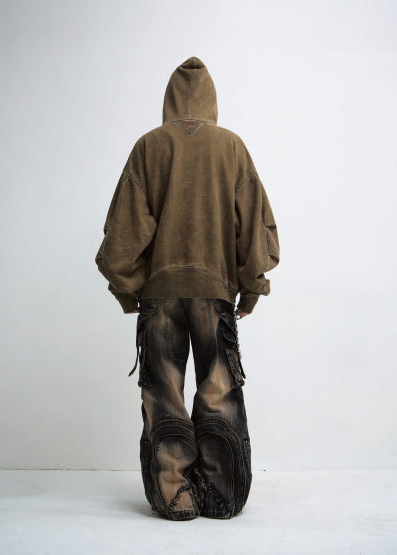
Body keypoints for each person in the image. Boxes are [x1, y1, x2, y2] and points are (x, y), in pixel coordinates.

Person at [95, 56, 280, 521]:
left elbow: (122, 233)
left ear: (169, 99)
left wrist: (128, 291)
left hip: (159, 296)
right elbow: (254, 226)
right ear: (213, 99)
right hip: (215, 294)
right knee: (219, 393)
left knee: (164, 396)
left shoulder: (149, 147)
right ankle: (221, 495)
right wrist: (251, 288)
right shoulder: (231, 147)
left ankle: (174, 496)